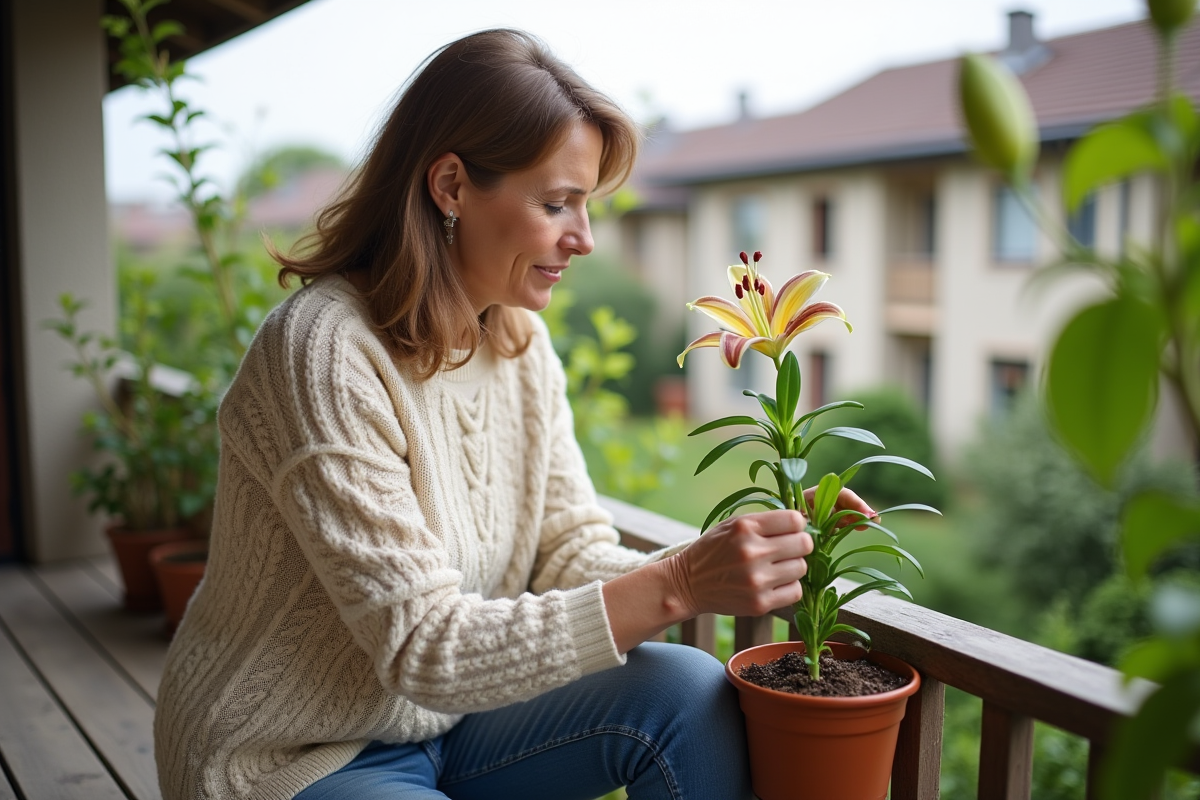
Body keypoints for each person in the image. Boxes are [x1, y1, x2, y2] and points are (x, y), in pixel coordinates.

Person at [153, 28, 873, 800]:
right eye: (557, 203)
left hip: (448, 721)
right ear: (452, 186)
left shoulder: (518, 341)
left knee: (686, 693)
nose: (585, 238)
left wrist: (729, 560)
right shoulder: (323, 354)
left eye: (587, 205)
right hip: (289, 754)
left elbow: (568, 552)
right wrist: (679, 584)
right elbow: (423, 646)